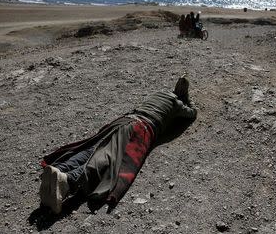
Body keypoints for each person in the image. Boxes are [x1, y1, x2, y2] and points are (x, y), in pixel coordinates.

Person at [39, 77, 197, 214]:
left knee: (94, 148)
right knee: (110, 159)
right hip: (140, 129)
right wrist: (186, 98)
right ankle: (67, 181)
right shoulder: (177, 103)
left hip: (124, 120)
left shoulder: (159, 93)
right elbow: (192, 113)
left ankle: (61, 169)